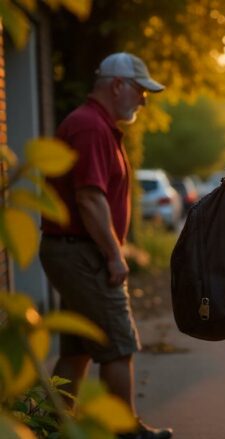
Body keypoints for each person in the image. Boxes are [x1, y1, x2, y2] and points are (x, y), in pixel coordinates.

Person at [39, 52, 172, 439]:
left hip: (73, 248)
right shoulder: (90, 128)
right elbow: (90, 198)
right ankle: (125, 432)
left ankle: (47, 426)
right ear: (117, 85)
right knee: (118, 342)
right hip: (83, 252)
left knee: (79, 348)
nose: (144, 100)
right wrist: (115, 255)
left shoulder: (94, 125)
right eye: (140, 91)